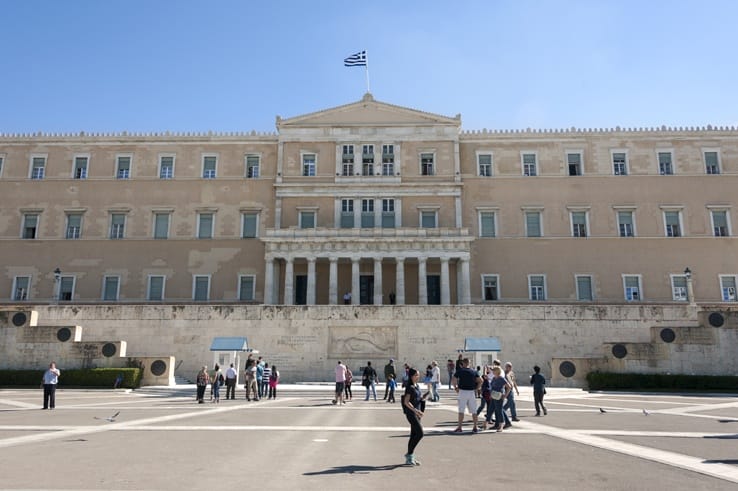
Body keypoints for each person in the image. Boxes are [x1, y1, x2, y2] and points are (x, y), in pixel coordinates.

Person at [402, 368, 427, 466]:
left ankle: (410, 457)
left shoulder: (417, 386)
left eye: (418, 374)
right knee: (420, 433)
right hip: (412, 413)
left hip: (417, 413)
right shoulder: (410, 387)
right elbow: (406, 402)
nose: (418, 376)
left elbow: (417, 399)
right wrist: (415, 410)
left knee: (413, 435)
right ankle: (409, 455)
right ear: (412, 376)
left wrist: (422, 398)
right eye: (417, 375)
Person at [451, 358, 482, 433]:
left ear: (463, 363)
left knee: (461, 410)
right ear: (469, 363)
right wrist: (476, 388)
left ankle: (460, 427)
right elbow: (481, 381)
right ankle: (475, 427)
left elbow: (454, 379)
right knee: (474, 411)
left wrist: (455, 388)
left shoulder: (460, 371)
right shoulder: (474, 371)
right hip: (471, 392)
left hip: (462, 392)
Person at [485, 365, 511, 431]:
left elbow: (509, 387)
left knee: (499, 411)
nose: (492, 371)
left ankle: (501, 426)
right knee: (490, 410)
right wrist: (490, 394)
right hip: (493, 396)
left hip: (499, 396)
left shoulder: (501, 378)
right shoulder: (494, 378)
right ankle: (485, 423)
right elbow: (492, 387)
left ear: (497, 371)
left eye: (493, 370)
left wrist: (505, 395)